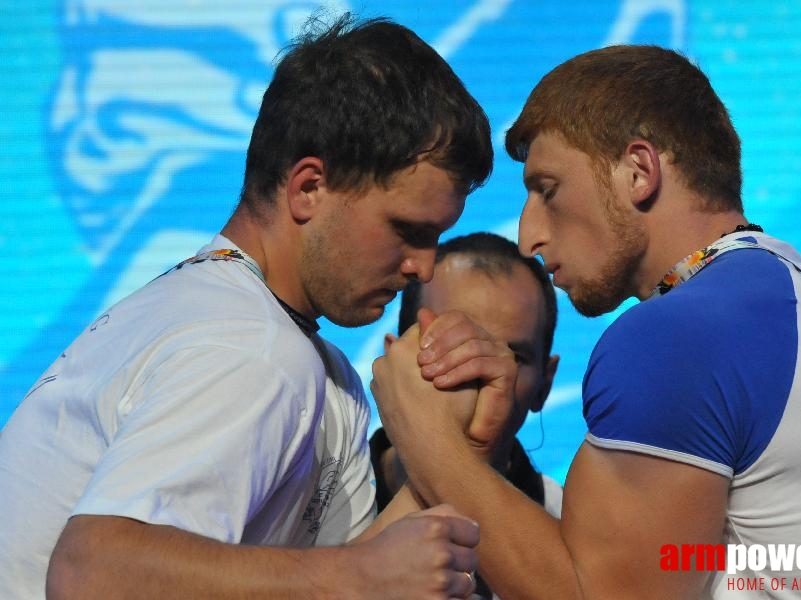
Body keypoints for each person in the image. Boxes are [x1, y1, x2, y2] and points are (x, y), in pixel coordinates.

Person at [371, 44, 801, 599]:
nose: (528, 236)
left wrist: (426, 434)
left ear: (638, 171)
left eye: (548, 190)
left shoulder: (679, 334)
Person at [0, 13, 494, 599]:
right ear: (308, 187)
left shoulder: (290, 352)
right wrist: (356, 576)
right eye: (407, 229)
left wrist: (464, 444)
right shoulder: (252, 347)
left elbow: (347, 581)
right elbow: (91, 574)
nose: (424, 267)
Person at [369, 232, 562, 599]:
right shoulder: (309, 504)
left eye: (514, 358)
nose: (487, 375)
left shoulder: (574, 539)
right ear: (394, 362)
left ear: (544, 385)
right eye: (453, 346)